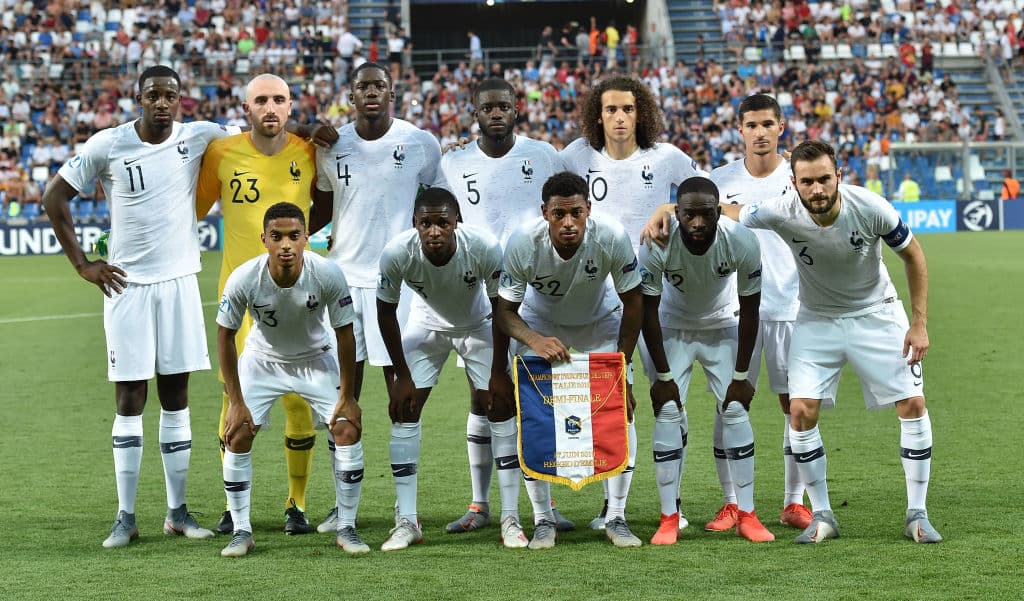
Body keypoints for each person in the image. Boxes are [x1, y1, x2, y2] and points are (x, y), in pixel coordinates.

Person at [41, 65, 230, 548]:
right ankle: (125, 515)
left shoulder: (201, 136)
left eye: (171, 95)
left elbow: (258, 142)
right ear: (138, 98)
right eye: (154, 95)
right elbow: (54, 196)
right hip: (126, 288)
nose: (162, 102)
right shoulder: (108, 144)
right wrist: (83, 264)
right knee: (130, 399)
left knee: (177, 396)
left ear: (182, 99)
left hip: (180, 284)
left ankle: (178, 511)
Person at [722, 140, 941, 544]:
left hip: (877, 313)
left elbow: (914, 256)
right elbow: (731, 211)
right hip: (817, 319)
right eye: (808, 182)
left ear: (839, 175)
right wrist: (669, 210)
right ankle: (822, 515)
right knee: (801, 411)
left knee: (912, 404)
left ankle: (918, 513)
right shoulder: (780, 210)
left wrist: (919, 323)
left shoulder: (870, 207)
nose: (818, 189)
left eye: (825, 179)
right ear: (795, 183)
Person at [560, 75, 703, 531]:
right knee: (608, 401)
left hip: (659, 300)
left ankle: (672, 507)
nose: (619, 118)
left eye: (627, 109)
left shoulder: (668, 159)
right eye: (610, 110)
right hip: (598, 304)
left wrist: (668, 209)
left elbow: (707, 200)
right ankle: (611, 505)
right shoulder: (573, 158)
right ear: (596, 115)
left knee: (667, 398)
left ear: (640, 112)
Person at [312, 61, 445, 533]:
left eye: (379, 86)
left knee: (402, 396)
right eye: (362, 87)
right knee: (342, 395)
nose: (371, 93)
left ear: (393, 92)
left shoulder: (420, 143)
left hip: (399, 282)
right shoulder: (331, 146)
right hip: (344, 281)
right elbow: (322, 207)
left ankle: (404, 511)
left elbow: (442, 207)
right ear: (351, 96)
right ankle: (342, 505)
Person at [438, 77, 573, 534]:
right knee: (483, 397)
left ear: (517, 109)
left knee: (537, 398)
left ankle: (545, 505)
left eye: (504, 106)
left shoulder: (543, 155)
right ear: (473, 113)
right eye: (487, 107)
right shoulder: (452, 161)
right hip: (476, 296)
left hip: (532, 295)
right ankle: (480, 505)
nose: (496, 113)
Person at [196, 73, 327, 536]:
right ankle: (235, 507)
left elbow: (330, 205)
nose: (270, 107)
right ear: (246, 108)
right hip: (241, 295)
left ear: (290, 107)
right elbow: (191, 209)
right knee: (234, 395)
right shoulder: (221, 153)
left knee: (296, 396)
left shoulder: (310, 151)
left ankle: (297, 503)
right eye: (261, 100)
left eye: (279, 99)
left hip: (300, 294)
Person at [494, 171, 644, 550]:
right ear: (545, 212)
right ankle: (544, 519)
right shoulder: (522, 243)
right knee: (533, 415)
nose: (568, 223)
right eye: (559, 214)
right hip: (542, 326)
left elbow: (635, 301)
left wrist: (623, 371)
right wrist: (533, 338)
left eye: (576, 213)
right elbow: (504, 311)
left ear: (588, 210)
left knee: (622, 413)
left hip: (599, 322)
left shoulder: (610, 236)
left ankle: (617, 517)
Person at [375, 188, 530, 550]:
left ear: (456, 222)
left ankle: (510, 518)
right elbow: (385, 313)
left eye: (442, 222)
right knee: (404, 411)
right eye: (425, 223)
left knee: (501, 406)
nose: (434, 231)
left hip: (478, 325)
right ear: (414, 223)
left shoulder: (483, 247)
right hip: (426, 326)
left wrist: (497, 372)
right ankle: (407, 521)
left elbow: (501, 309)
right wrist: (402, 375)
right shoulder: (397, 252)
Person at [216, 202, 362, 557]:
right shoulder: (244, 278)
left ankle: (347, 527)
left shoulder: (327, 273)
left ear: (306, 238)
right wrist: (235, 402)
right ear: (263, 238)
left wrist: (348, 395)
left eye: (294, 236)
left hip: (315, 358)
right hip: (263, 361)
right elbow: (223, 336)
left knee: (346, 428)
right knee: (236, 432)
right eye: (277, 236)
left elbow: (345, 334)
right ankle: (241, 531)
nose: (286, 245)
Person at [640, 176, 772, 544]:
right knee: (667, 410)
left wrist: (742, 374)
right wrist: (663, 375)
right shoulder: (657, 243)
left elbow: (751, 309)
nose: (697, 223)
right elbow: (647, 311)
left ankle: (747, 513)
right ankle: (669, 518)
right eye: (689, 215)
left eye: (705, 214)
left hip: (722, 326)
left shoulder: (742, 240)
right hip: (670, 327)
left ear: (719, 211)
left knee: (735, 410)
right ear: (677, 213)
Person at [707, 94, 812, 533]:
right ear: (740, 129)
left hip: (792, 306)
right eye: (752, 125)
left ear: (781, 127)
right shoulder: (718, 180)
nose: (761, 132)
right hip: (736, 310)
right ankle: (731, 503)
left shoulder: (800, 177)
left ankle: (793, 502)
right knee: (730, 402)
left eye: (769, 124)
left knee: (794, 406)